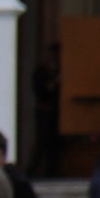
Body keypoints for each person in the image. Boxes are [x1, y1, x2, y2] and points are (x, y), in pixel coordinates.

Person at [29, 43, 61, 177]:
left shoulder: (60, 70)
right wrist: (55, 81)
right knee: (42, 142)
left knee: (55, 143)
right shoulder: (41, 72)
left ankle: (52, 172)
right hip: (44, 112)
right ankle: (31, 171)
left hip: (57, 113)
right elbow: (41, 92)